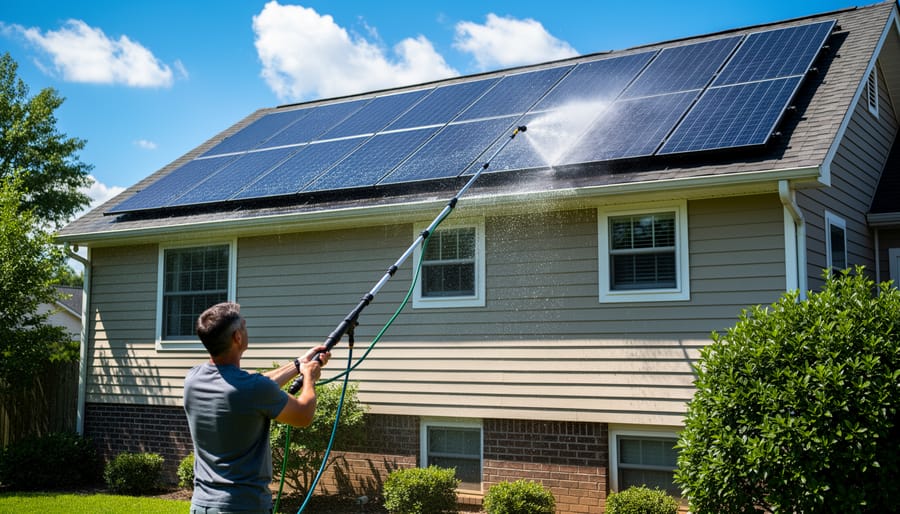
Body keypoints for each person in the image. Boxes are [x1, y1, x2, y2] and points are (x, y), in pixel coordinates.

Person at [184, 301, 330, 514]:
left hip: (201, 505)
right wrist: (310, 377)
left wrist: (298, 364)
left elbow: (254, 384)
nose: (246, 328)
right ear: (237, 338)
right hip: (243, 507)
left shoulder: (193, 379)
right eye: (244, 325)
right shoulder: (252, 389)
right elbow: (304, 414)